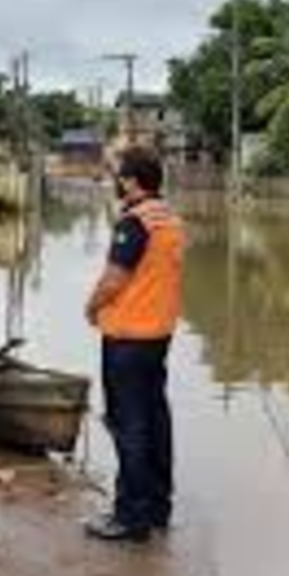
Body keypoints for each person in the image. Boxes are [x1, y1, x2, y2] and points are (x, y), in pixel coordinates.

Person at [83, 146, 185, 543]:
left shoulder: (134, 222)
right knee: (156, 417)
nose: (116, 182)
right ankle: (158, 506)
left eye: (119, 176)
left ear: (131, 181)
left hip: (127, 337)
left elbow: (114, 279)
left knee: (130, 424)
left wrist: (91, 307)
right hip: (159, 334)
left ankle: (130, 517)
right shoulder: (169, 218)